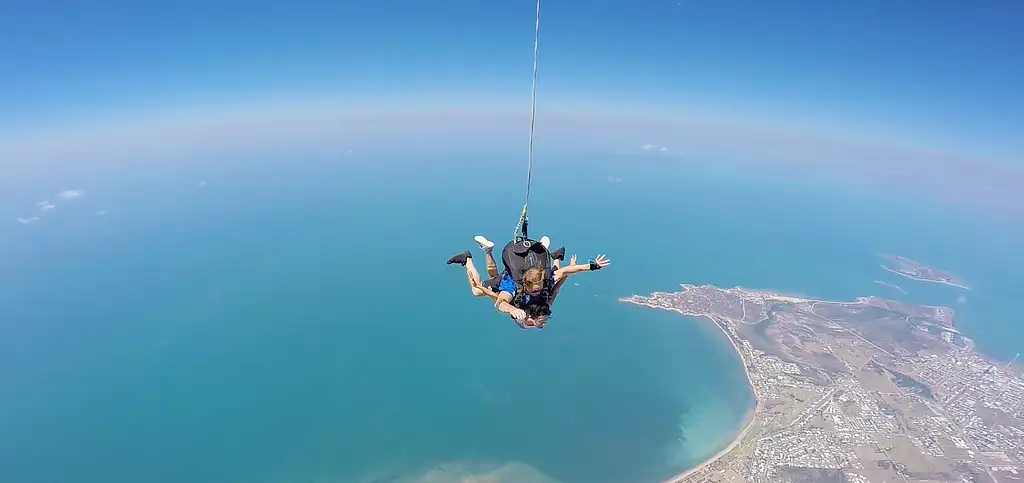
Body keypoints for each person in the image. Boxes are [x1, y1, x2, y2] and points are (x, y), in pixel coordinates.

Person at [447, 235, 611, 328]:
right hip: (511, 278)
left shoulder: (537, 283)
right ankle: (467, 259)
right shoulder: (522, 292)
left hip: (517, 281)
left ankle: (540, 249)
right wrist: (592, 266)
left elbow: (565, 272)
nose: (537, 291)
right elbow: (501, 303)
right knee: (478, 289)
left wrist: (592, 266)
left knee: (486, 284)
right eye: (534, 290)